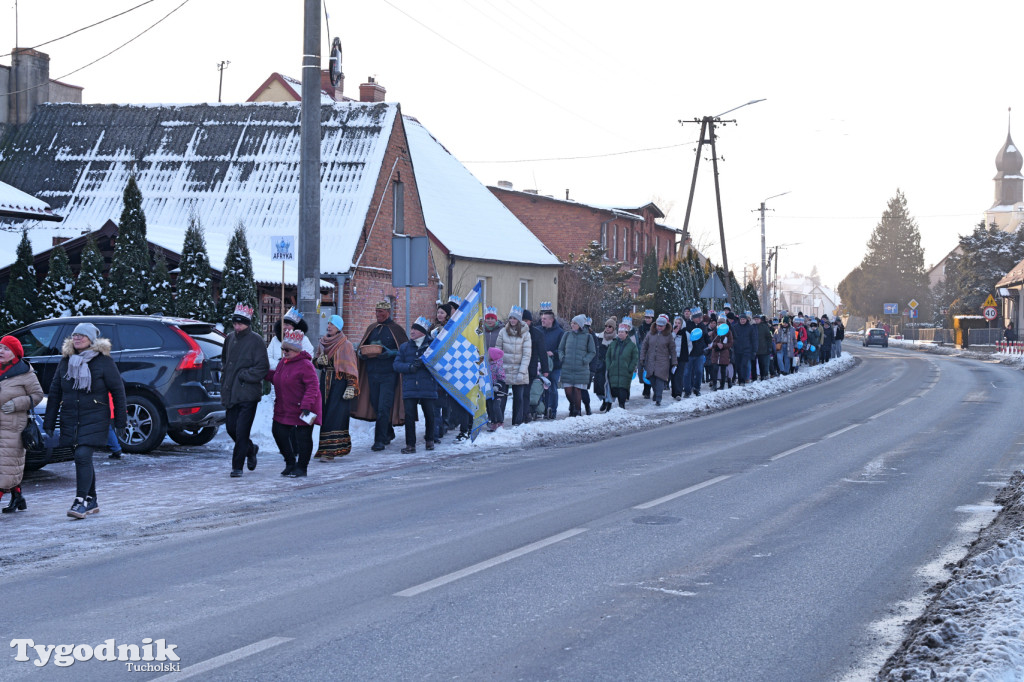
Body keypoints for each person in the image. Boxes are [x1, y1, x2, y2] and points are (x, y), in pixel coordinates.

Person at [43, 323, 127, 519]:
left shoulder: (103, 361)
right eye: (75, 335)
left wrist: (121, 422)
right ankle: (92, 499)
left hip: (95, 417)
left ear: (91, 339)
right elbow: (55, 392)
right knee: (82, 459)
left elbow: (118, 391)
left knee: (82, 455)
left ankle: (79, 501)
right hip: (70, 418)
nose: (77, 338)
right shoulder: (65, 361)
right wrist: (49, 422)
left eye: (82, 335)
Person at [221, 303, 270, 478]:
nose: (237, 327)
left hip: (248, 393)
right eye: (235, 323)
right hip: (231, 391)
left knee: (242, 431)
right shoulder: (229, 339)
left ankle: (237, 467)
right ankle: (251, 449)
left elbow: (263, 367)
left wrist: (244, 376)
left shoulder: (256, 341)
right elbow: (225, 362)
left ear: (247, 323)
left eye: (240, 324)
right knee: (231, 429)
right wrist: (225, 381)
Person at [354, 300, 408, 451]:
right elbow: (362, 346)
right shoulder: (372, 328)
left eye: (381, 312)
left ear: (388, 313)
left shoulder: (396, 329)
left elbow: (405, 350)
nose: (378, 314)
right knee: (376, 404)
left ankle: (379, 440)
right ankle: (388, 432)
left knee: (384, 406)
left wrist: (391, 353)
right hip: (372, 373)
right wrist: (361, 354)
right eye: (376, 311)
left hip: (389, 374)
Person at [267, 329, 322, 477]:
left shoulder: (305, 364)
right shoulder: (283, 363)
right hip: (286, 405)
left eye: (288, 350)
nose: (284, 352)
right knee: (278, 431)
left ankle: (302, 467)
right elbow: (277, 377)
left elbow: (313, 386)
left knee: (303, 437)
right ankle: (290, 462)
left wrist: (306, 405)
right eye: (283, 349)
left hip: (305, 407)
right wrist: (264, 373)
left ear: (297, 350)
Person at [0, 336, 44, 514]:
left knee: (6, 464)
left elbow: (37, 395)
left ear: (15, 353)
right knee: (8, 465)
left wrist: (16, 403)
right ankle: (17, 496)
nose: (1, 351)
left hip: (12, 426)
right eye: (0, 347)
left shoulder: (25, 373)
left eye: (6, 349)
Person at [314, 315, 358, 461]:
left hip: (339, 384)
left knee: (335, 416)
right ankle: (324, 449)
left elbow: (351, 367)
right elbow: (315, 362)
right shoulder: (323, 343)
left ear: (338, 327)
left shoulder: (346, 345)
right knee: (325, 414)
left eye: (332, 324)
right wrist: (319, 361)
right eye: (328, 323)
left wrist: (351, 385)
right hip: (325, 382)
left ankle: (330, 451)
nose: (329, 326)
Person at [393, 316, 436, 454]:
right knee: (409, 416)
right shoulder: (405, 347)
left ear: (423, 332)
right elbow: (396, 365)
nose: (412, 331)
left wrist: (426, 365)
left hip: (427, 386)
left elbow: (439, 365)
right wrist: (410, 367)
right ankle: (410, 445)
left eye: (415, 329)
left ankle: (430, 440)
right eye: (411, 329)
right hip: (410, 386)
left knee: (430, 414)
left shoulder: (432, 346)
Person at [496, 306, 532, 426]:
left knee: (519, 398)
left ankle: (517, 422)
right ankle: (499, 421)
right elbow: (498, 351)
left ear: (519, 320)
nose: (512, 320)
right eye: (510, 318)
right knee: (501, 397)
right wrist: (498, 368)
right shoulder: (503, 332)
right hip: (504, 369)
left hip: (519, 369)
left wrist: (522, 372)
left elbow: (526, 355)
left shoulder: (526, 334)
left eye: (514, 318)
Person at [557, 314, 596, 417]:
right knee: (568, 391)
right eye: (572, 323)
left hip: (581, 368)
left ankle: (577, 411)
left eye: (575, 323)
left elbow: (592, 352)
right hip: (567, 367)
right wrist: (562, 357)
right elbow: (560, 349)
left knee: (578, 390)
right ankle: (573, 404)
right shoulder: (567, 335)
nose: (572, 325)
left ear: (580, 325)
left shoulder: (588, 337)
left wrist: (585, 360)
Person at [638, 314, 676, 406]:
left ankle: (658, 398)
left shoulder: (669, 336)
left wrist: (674, 362)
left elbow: (672, 350)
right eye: (658, 325)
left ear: (665, 326)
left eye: (661, 326)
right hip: (651, 360)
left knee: (660, 380)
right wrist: (642, 358)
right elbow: (644, 346)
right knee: (652, 379)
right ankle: (656, 393)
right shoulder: (650, 334)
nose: (659, 327)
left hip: (663, 362)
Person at [521, 309, 549, 423]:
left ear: (530, 321)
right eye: (522, 320)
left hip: (531, 366)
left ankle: (525, 414)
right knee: (519, 393)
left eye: (526, 320)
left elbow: (542, 353)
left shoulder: (537, 334)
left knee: (526, 392)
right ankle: (520, 414)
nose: (524, 323)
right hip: (517, 366)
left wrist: (545, 369)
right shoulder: (515, 332)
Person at [605, 323, 639, 409]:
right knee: (612, 389)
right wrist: (609, 366)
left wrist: (630, 368)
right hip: (613, 371)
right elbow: (608, 356)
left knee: (622, 389)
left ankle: (621, 406)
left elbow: (635, 358)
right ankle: (608, 407)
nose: (620, 333)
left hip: (625, 371)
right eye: (619, 332)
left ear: (626, 333)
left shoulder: (632, 345)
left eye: (622, 332)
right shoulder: (613, 344)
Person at [539, 303, 564, 419]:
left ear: (551, 320)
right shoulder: (539, 330)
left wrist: (554, 353)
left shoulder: (560, 332)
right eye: (542, 318)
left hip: (555, 365)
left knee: (552, 386)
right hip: (542, 364)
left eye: (544, 318)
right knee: (541, 386)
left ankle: (552, 410)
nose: (542, 320)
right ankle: (543, 409)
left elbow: (563, 349)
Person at [684, 309, 708, 397]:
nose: (700, 319)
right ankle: (687, 391)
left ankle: (697, 388)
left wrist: (709, 343)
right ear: (693, 318)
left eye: (700, 317)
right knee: (687, 373)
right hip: (689, 353)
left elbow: (705, 336)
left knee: (699, 372)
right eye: (698, 317)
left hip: (699, 353)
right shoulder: (688, 325)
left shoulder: (702, 325)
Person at [596, 317, 617, 411]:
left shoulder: (617, 339)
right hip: (601, 364)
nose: (607, 328)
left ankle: (609, 403)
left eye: (610, 326)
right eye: (606, 326)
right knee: (601, 384)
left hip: (612, 365)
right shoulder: (599, 337)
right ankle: (604, 400)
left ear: (613, 328)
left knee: (610, 385)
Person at [709, 318, 734, 390]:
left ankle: (722, 385)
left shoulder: (728, 332)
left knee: (723, 370)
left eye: (722, 323)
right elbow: (711, 342)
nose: (720, 324)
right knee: (715, 369)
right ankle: (714, 385)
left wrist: (723, 345)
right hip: (715, 353)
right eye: (719, 323)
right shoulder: (715, 331)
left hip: (724, 353)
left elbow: (730, 343)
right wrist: (716, 344)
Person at [732, 311, 756, 385]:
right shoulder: (735, 327)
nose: (742, 321)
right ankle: (741, 380)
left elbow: (754, 339)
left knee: (744, 364)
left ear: (746, 320)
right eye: (741, 319)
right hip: (737, 349)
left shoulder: (750, 327)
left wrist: (754, 350)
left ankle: (743, 379)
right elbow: (732, 338)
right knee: (738, 366)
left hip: (747, 349)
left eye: (744, 319)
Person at [486, 347, 507, 430]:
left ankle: (500, 422)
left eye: (489, 354)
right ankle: (493, 422)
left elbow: (502, 378)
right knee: (490, 407)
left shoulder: (498, 366)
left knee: (496, 406)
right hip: (489, 389)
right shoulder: (487, 365)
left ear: (493, 356)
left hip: (498, 390)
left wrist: (497, 385)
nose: (487, 355)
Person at [637, 309, 655, 399]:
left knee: (650, 371)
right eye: (646, 318)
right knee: (642, 370)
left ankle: (648, 390)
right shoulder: (641, 328)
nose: (647, 319)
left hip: (652, 352)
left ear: (652, 318)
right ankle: (645, 387)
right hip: (643, 351)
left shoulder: (655, 328)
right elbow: (638, 339)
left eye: (649, 318)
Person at [753, 314, 774, 381]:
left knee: (762, 364)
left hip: (763, 348)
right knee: (754, 364)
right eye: (755, 319)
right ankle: (754, 377)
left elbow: (769, 337)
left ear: (760, 320)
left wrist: (769, 346)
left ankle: (763, 376)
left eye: (757, 319)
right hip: (753, 348)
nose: (756, 320)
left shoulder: (764, 327)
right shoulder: (752, 327)